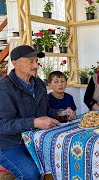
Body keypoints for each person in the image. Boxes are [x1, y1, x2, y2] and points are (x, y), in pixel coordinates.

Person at [0, 45, 60, 179]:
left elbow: (45, 110)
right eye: (31, 61)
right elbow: (2, 125)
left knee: (62, 161)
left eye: (36, 61)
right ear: (15, 63)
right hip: (9, 145)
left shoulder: (38, 84)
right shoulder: (3, 87)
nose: (36, 65)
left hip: (35, 140)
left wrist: (60, 113)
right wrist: (34, 122)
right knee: (31, 173)